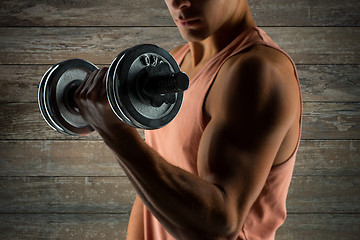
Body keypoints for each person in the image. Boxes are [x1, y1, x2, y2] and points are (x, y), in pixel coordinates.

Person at [74, 0, 302, 239]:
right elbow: (152, 188)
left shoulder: (259, 71)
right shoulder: (174, 62)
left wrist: (117, 133)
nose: (177, 2)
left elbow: (219, 228)